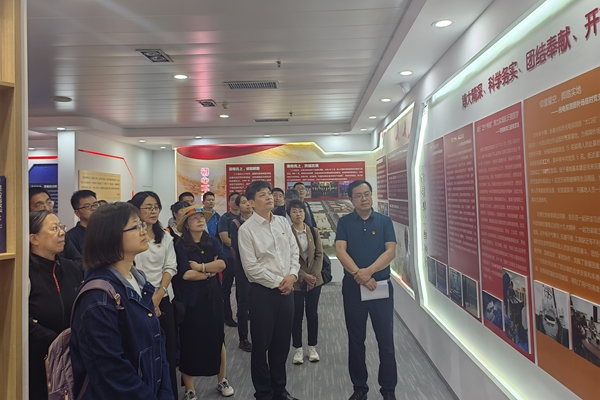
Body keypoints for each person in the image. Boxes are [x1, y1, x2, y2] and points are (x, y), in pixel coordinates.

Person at [70, 202, 173, 399]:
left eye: (142, 225)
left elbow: (157, 346)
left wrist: (166, 392)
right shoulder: (98, 297)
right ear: (111, 236)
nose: (144, 231)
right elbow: (112, 371)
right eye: (136, 226)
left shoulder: (139, 280)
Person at [238, 181, 300, 400]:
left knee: (282, 343)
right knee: (261, 346)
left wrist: (292, 276)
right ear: (251, 203)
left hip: (287, 291)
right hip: (263, 293)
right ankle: (263, 392)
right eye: (262, 195)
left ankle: (279, 389)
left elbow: (294, 252)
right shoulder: (246, 230)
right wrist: (280, 282)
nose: (269, 197)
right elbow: (251, 268)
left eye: (269, 193)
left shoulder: (282, 222)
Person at [335, 180, 397, 400]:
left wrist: (368, 273)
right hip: (354, 289)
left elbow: (390, 252)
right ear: (351, 199)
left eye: (367, 194)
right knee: (356, 340)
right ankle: (359, 388)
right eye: (359, 195)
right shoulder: (344, 222)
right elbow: (340, 251)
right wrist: (360, 277)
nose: (364, 199)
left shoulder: (384, 221)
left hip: (380, 287)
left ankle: (388, 389)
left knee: (385, 341)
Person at [173, 205, 234, 399]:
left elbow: (222, 263)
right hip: (191, 299)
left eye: (201, 217)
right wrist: (210, 271)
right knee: (190, 340)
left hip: (213, 297)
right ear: (186, 225)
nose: (200, 220)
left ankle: (222, 380)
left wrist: (201, 268)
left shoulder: (212, 241)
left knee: (218, 337)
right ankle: (190, 389)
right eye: (194, 218)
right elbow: (186, 274)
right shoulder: (180, 245)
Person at [28, 211, 83, 400]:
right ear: (34, 239)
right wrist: (56, 341)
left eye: (61, 227)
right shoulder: (23, 272)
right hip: (36, 359)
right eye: (54, 228)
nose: (62, 232)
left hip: (71, 356)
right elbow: (20, 319)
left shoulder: (71, 268)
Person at [129, 191, 178, 397]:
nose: (153, 211)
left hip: (163, 299)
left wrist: (158, 297)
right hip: (138, 301)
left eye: (156, 207)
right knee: (144, 352)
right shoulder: (130, 237)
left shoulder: (165, 236)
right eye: (148, 207)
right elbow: (131, 269)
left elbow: (170, 267)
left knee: (167, 351)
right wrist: (149, 300)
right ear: (136, 210)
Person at [287, 200, 324, 365]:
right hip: (295, 280)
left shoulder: (313, 231)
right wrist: (303, 276)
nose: (298, 214)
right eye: (294, 211)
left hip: (314, 281)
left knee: (312, 314)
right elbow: (287, 257)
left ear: (305, 213)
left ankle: (312, 347)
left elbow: (319, 254)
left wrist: (313, 276)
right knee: (296, 315)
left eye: (301, 211)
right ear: (289, 214)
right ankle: (298, 348)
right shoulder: (286, 233)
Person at [29, 187, 83, 269]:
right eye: (39, 205)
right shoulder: (24, 239)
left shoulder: (61, 233)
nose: (47, 208)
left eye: (49, 203)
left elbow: (80, 262)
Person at [228, 194, 254, 352]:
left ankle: (260, 335)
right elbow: (238, 248)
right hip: (243, 268)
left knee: (259, 303)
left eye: (249, 202)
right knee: (243, 304)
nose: (248, 205)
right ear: (238, 206)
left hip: (261, 268)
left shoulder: (259, 221)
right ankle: (243, 338)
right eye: (244, 202)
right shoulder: (236, 223)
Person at [218, 192, 240, 327]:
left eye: (238, 200)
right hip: (229, 257)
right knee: (226, 288)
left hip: (243, 258)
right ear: (229, 202)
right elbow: (225, 239)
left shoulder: (245, 217)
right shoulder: (225, 218)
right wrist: (243, 246)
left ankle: (241, 312)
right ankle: (227, 315)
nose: (235, 202)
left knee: (242, 288)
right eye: (232, 200)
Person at [66, 190, 99, 254]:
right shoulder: (71, 237)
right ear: (77, 213)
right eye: (87, 206)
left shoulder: (104, 231)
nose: (93, 208)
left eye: (95, 204)